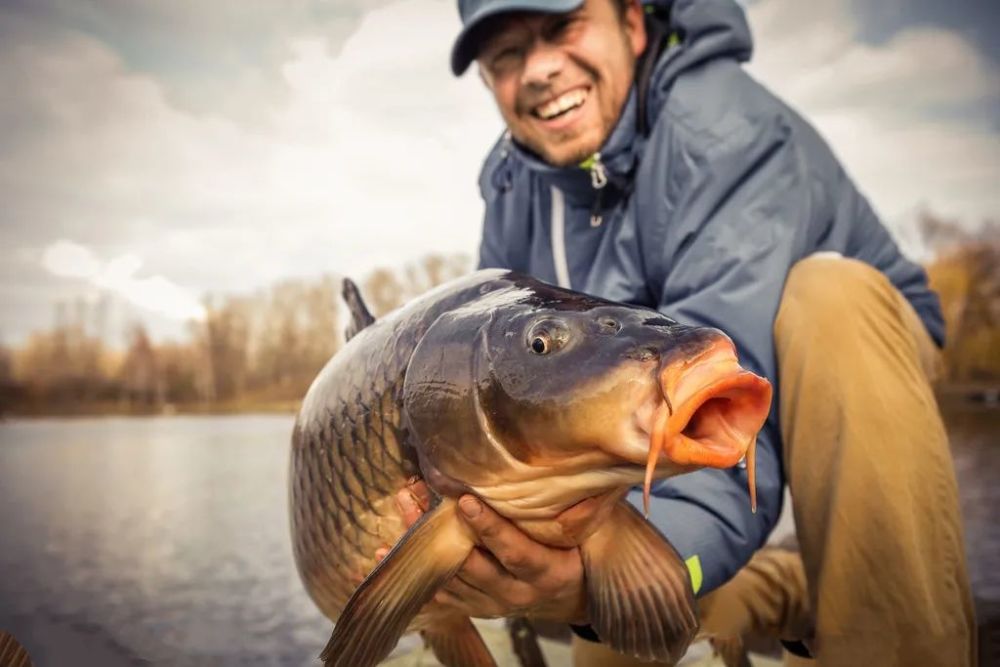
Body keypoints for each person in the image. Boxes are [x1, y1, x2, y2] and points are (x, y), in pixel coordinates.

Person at [393, 0, 977, 664]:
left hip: (855, 351)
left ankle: (891, 637)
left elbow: (714, 424)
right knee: (619, 629)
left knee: (827, 300)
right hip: (650, 381)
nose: (539, 70)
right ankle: (786, 584)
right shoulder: (511, 182)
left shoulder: (720, 130)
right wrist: (561, 568)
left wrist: (607, 576)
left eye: (563, 26)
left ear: (633, 24)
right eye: (506, 54)